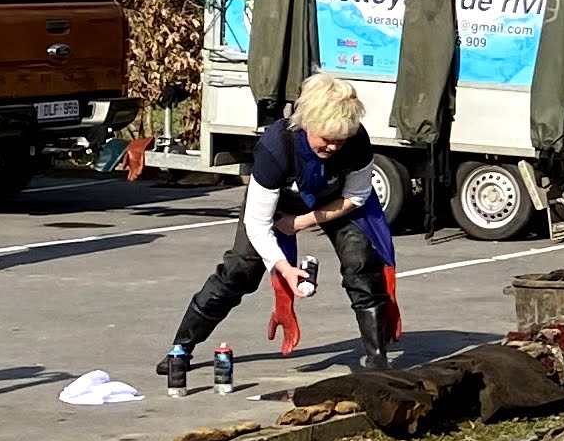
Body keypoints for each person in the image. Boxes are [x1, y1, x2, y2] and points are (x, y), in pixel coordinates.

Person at [157, 70, 398, 390]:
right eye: (326, 138)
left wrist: (300, 222)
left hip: (336, 200)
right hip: (278, 202)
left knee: (362, 263)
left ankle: (377, 358)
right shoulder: (277, 146)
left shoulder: (355, 141)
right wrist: (283, 267)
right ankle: (182, 347)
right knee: (239, 271)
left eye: (339, 141)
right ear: (307, 123)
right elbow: (257, 224)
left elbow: (356, 196)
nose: (332, 147)